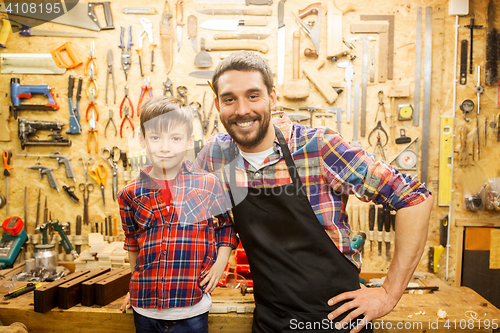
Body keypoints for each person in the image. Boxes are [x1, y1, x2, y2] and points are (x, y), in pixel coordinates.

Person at [195, 51, 433, 333]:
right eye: (229, 99)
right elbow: (198, 214)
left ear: (272, 98)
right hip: (272, 320)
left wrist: (388, 293)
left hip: (336, 319)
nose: (242, 109)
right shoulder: (217, 154)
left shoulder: (318, 147)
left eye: (253, 95)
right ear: (217, 104)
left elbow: (414, 198)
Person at [118, 96, 238, 333]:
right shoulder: (129, 193)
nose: (165, 147)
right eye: (155, 138)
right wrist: (134, 285)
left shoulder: (208, 185)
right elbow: (132, 243)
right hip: (145, 310)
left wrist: (219, 264)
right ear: (142, 140)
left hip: (192, 308)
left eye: (175, 138)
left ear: (188, 142)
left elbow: (226, 226)